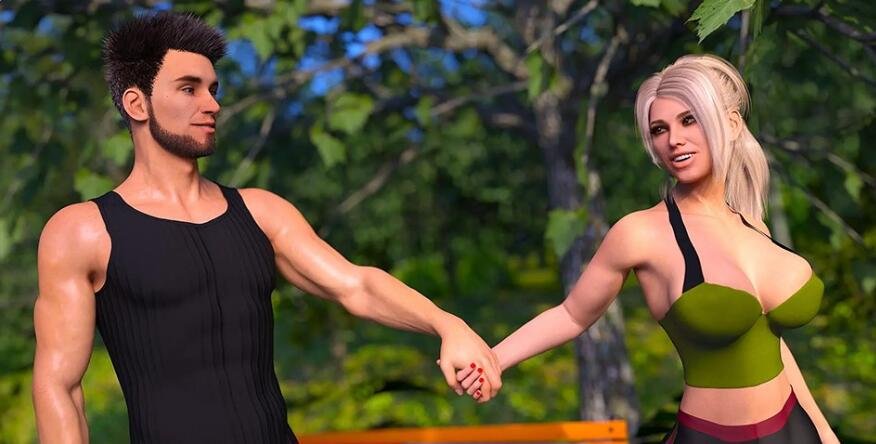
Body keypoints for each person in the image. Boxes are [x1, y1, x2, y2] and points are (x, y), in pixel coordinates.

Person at [31, 12, 500, 444]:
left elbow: (355, 285)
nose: (212, 104)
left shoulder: (261, 212)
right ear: (137, 103)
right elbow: (59, 386)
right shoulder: (83, 231)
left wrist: (447, 324)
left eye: (213, 89)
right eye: (189, 89)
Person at [457, 55, 838, 443]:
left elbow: (770, 342)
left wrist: (824, 431)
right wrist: (494, 359)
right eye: (659, 129)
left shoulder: (753, 224)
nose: (674, 140)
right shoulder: (641, 233)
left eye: (689, 120)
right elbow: (572, 314)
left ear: (732, 124)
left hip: (794, 430)